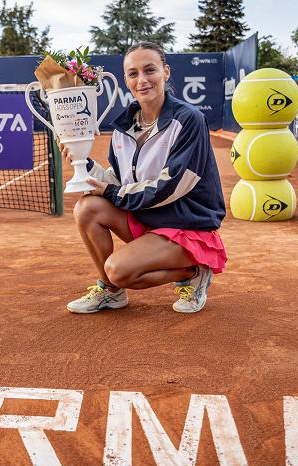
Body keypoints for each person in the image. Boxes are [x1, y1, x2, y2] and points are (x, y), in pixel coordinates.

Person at [60, 41, 227, 315]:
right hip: (148, 219)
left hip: (186, 227)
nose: (142, 80)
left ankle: (194, 270)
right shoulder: (123, 128)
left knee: (117, 269)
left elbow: (170, 186)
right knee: (86, 207)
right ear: (126, 79)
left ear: (166, 72)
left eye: (150, 70)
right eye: (133, 73)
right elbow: (118, 180)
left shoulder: (189, 121)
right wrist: (83, 164)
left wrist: (111, 193)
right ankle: (111, 292)